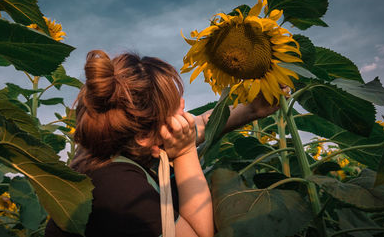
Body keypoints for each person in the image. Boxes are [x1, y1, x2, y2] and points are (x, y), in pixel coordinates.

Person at [44, 50, 280, 237]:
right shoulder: (121, 190)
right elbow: (199, 235)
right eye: (176, 107)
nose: (184, 106)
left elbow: (199, 125)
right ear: (145, 136)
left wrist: (251, 110)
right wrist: (185, 152)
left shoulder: (107, 149)